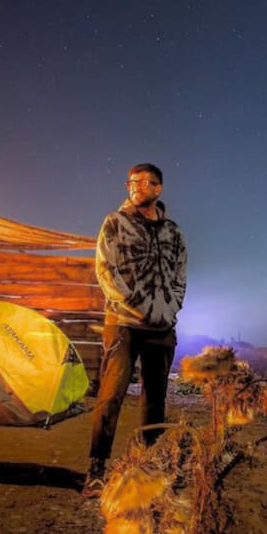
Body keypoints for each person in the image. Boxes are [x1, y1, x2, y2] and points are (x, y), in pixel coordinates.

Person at [86, 163, 188, 494]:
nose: (135, 187)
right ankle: (96, 469)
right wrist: (133, 303)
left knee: (155, 400)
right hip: (124, 323)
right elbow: (105, 269)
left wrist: (171, 307)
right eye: (132, 182)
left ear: (158, 188)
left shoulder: (174, 232)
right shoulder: (115, 223)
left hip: (162, 326)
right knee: (111, 395)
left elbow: (180, 273)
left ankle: (149, 467)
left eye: (144, 182)